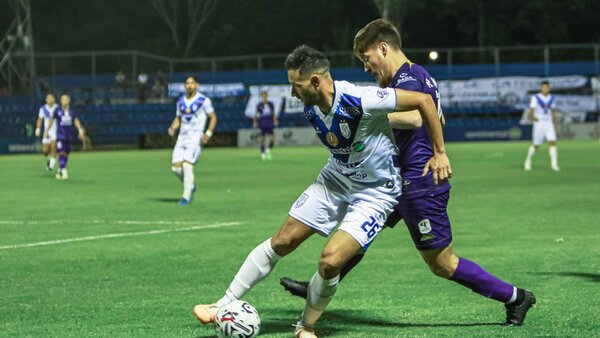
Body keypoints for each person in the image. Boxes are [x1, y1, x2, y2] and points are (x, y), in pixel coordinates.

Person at [280, 19, 536, 327]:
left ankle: (516, 297)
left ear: (383, 48)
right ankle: (316, 287)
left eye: (367, 58)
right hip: (394, 181)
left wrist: (364, 121)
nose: (366, 67)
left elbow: (415, 117)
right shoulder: (407, 79)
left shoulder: (410, 78)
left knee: (442, 264)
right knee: (358, 235)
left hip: (418, 183)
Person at [193, 45, 451, 338]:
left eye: (296, 86)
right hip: (336, 178)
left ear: (315, 82)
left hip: (377, 192)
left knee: (330, 262)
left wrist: (439, 152)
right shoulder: (311, 104)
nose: (293, 94)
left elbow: (424, 101)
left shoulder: (359, 98)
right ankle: (223, 303)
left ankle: (305, 327)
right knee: (283, 240)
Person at [167, 76, 217, 206]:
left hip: (196, 137)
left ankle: (186, 196)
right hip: (182, 138)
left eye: (192, 83)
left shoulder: (204, 100)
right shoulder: (180, 101)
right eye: (187, 83)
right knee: (175, 169)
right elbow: (179, 118)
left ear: (196, 85)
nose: (190, 86)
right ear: (185, 86)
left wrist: (208, 133)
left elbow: (213, 117)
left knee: (187, 165)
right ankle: (191, 185)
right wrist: (173, 127)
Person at [45, 94, 85, 180]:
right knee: (61, 152)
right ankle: (64, 170)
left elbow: (75, 120)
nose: (64, 100)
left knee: (66, 153)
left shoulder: (71, 111)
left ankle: (60, 170)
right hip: (60, 136)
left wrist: (80, 130)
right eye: (63, 99)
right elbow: (51, 120)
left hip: (69, 136)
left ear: (69, 100)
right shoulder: (57, 110)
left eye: (66, 99)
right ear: (61, 101)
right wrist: (47, 131)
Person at [524, 81, 560, 171]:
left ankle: (554, 164)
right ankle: (528, 160)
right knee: (536, 144)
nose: (545, 89)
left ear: (549, 88)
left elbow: (553, 112)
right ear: (541, 88)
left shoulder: (552, 98)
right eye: (543, 87)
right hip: (539, 123)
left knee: (552, 142)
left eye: (546, 87)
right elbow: (531, 111)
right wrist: (532, 118)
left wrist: (555, 124)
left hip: (549, 123)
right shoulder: (535, 98)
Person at [34, 93, 59, 171]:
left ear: (54, 99)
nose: (50, 99)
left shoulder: (57, 108)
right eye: (49, 98)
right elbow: (40, 119)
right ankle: (50, 158)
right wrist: (38, 128)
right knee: (45, 151)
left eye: (52, 98)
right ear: (46, 100)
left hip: (55, 130)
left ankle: (51, 165)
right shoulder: (43, 109)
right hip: (46, 131)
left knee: (53, 146)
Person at [253, 90, 278, 160]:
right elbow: (255, 114)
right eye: (263, 96)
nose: (264, 97)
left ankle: (268, 149)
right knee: (262, 139)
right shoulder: (259, 105)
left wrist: (275, 120)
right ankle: (262, 153)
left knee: (272, 139)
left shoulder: (270, 104)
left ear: (267, 96)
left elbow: (273, 113)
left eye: (265, 96)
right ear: (261, 97)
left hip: (269, 123)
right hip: (262, 123)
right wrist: (254, 122)